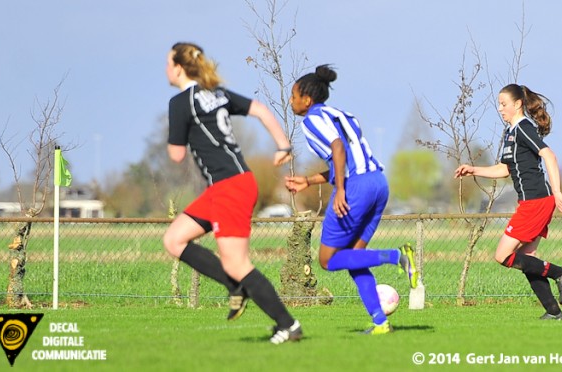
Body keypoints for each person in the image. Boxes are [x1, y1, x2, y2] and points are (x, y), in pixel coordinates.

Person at [162, 42, 301, 344]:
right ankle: (234, 285)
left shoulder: (181, 103)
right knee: (174, 240)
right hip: (227, 185)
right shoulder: (217, 94)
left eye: (167, 63)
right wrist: (283, 145)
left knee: (237, 263)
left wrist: (178, 134)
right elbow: (260, 110)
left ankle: (288, 325)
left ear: (178, 67)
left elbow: (175, 155)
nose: (165, 69)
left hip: (230, 187)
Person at [285, 65, 418, 335]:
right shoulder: (341, 114)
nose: (291, 100)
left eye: (293, 95)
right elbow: (342, 160)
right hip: (378, 183)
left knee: (327, 260)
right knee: (354, 257)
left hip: (356, 187)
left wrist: (342, 191)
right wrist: (309, 181)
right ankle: (380, 322)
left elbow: (337, 149)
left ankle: (397, 256)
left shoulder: (311, 120)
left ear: (307, 99)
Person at [454, 84, 562, 320]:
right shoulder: (510, 133)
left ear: (518, 104)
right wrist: (473, 170)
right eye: (499, 104)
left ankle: (560, 272)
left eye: (504, 104)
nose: (500, 108)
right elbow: (504, 169)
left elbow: (549, 155)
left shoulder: (523, 128)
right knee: (527, 259)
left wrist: (557, 191)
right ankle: (554, 312)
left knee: (503, 256)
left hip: (537, 201)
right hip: (532, 201)